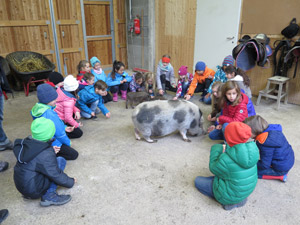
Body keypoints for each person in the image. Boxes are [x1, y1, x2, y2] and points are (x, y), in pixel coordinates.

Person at [194, 122, 259, 210]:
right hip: (245, 192)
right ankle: (239, 200)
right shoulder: (253, 150)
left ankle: (229, 203)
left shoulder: (226, 158)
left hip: (228, 195)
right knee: (227, 175)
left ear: (229, 138)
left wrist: (217, 148)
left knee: (198, 181)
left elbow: (213, 168)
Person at [13, 117, 76, 207]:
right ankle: (49, 196)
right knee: (60, 161)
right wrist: (70, 181)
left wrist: (50, 150)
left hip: (23, 187)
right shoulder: (45, 154)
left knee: (46, 165)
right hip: (34, 190)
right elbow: (55, 174)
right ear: (50, 134)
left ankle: (34, 194)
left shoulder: (27, 143)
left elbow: (36, 158)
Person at [31, 84, 78, 160]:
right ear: (47, 100)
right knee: (74, 155)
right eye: (54, 99)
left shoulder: (38, 108)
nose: (56, 100)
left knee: (76, 132)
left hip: (44, 138)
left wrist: (64, 127)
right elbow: (59, 133)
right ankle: (48, 153)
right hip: (52, 141)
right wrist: (68, 143)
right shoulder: (49, 114)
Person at [244, 115, 294, 182]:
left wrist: (251, 164)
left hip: (280, 168)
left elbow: (264, 165)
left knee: (251, 173)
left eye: (247, 132)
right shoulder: (272, 131)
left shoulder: (265, 142)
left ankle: (280, 176)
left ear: (254, 131)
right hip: (287, 160)